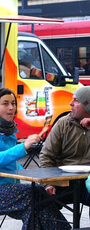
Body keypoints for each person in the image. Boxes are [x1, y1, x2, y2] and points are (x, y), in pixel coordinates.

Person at [0, 88, 71, 229]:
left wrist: (41, 180)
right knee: (33, 196)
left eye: (13, 103)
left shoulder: (10, 132)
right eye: (5, 103)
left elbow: (12, 165)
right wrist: (23, 147)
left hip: (10, 191)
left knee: (38, 200)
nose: (11, 108)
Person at [39, 85, 90, 209]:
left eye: (76, 100)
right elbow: (46, 155)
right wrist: (48, 183)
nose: (70, 103)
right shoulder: (63, 123)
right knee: (39, 199)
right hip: (64, 182)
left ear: (89, 105)